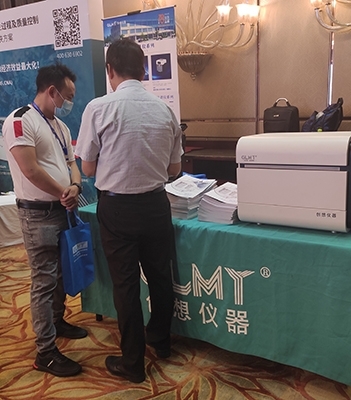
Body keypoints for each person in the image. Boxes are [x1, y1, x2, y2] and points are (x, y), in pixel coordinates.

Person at [74, 38, 183, 383]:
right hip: (156, 205)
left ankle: (133, 363)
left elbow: (87, 168)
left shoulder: (98, 108)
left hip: (117, 208)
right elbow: (175, 170)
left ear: (110, 70)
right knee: (161, 276)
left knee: (125, 286)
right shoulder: (165, 110)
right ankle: (161, 341)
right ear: (144, 70)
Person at [3, 63, 87, 378]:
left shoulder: (60, 126)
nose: (70, 103)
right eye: (68, 96)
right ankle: (45, 352)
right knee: (44, 279)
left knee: (63, 272)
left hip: (63, 208)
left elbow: (71, 162)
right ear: (52, 91)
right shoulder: (20, 120)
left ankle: (57, 320)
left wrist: (75, 186)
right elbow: (30, 170)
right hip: (38, 214)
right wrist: (64, 192)